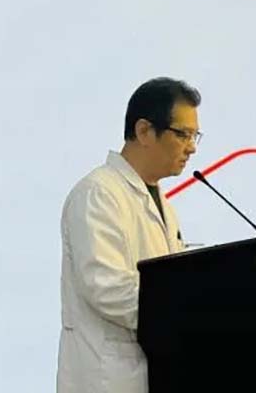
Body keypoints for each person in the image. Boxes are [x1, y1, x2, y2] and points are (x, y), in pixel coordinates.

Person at [56, 77, 202, 393]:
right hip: (107, 379)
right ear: (144, 131)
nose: (191, 147)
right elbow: (107, 288)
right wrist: (191, 313)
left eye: (195, 136)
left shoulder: (164, 204)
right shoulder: (98, 193)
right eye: (183, 134)